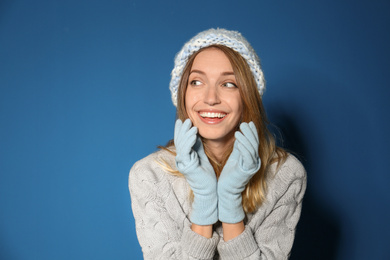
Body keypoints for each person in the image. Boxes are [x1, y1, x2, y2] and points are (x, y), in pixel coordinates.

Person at [129, 28, 307, 259]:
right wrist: (205, 201)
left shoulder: (286, 174)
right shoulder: (149, 175)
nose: (211, 98)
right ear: (182, 93)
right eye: (197, 81)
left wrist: (231, 200)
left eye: (229, 84)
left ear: (248, 96)